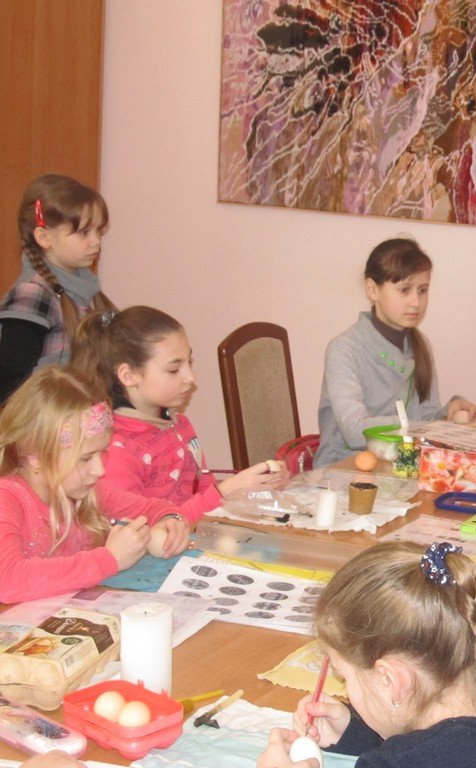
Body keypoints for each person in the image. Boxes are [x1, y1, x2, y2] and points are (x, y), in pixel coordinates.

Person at [257, 541, 476, 768]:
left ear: (390, 679)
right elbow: (435, 747)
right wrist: (354, 732)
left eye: (345, 677)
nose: (346, 689)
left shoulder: (395, 763)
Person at [71, 306, 286, 522]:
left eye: (189, 363)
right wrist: (225, 491)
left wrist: (256, 486)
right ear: (129, 375)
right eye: (174, 369)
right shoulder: (115, 448)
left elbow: (204, 491)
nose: (190, 377)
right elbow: (145, 530)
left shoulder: (179, 424)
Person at [0, 367, 189, 604]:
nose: (99, 470)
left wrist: (171, 519)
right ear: (36, 455)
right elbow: (8, 581)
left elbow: (151, 508)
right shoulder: (7, 499)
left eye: (103, 452)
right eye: (86, 458)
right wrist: (109, 559)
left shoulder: (87, 492)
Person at [313, 238, 476, 467]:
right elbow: (354, 431)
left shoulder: (419, 345)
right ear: (373, 289)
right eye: (404, 290)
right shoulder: (344, 350)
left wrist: (449, 413)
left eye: (422, 290)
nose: (416, 302)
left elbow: (425, 417)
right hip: (344, 469)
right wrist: (416, 426)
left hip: (401, 465)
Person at [0, 174, 116, 404]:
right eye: (84, 232)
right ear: (44, 237)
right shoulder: (33, 293)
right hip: (45, 421)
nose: (96, 242)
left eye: (98, 232)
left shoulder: (88, 291)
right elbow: (9, 380)